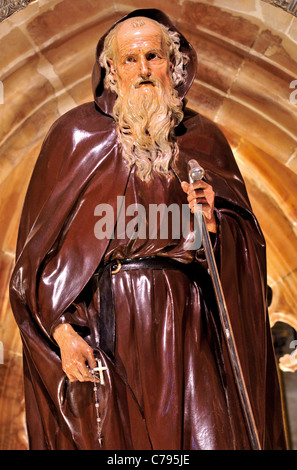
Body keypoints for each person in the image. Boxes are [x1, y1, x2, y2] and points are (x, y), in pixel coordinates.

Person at [9, 9, 287, 450]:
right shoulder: (74, 136)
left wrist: (215, 226)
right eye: (130, 59)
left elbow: (245, 251)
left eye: (153, 56)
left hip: (190, 325)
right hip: (109, 327)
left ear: (173, 64)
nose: (142, 69)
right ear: (111, 70)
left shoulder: (203, 138)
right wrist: (61, 331)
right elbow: (38, 259)